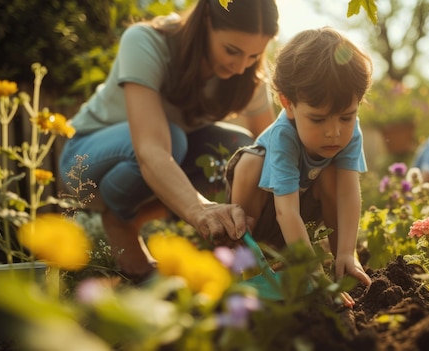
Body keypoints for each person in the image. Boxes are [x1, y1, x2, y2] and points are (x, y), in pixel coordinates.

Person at [58, 0, 279, 283]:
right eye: (232, 51)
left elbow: (271, 151)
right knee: (171, 139)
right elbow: (151, 149)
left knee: (240, 147)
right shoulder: (146, 41)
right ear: (206, 23)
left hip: (160, 158)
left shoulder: (247, 75)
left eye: (253, 55)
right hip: (87, 160)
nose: (240, 67)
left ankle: (213, 246)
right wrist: (199, 208)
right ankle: (119, 220)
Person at [225, 27, 373, 307]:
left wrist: (347, 251)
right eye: (318, 120)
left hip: (297, 221)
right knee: (250, 164)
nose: (334, 132)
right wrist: (313, 274)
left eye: (346, 117)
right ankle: (242, 259)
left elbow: (348, 194)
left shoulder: (350, 133)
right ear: (287, 104)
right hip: (265, 213)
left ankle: (337, 262)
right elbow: (286, 210)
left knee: (333, 176)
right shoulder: (284, 135)